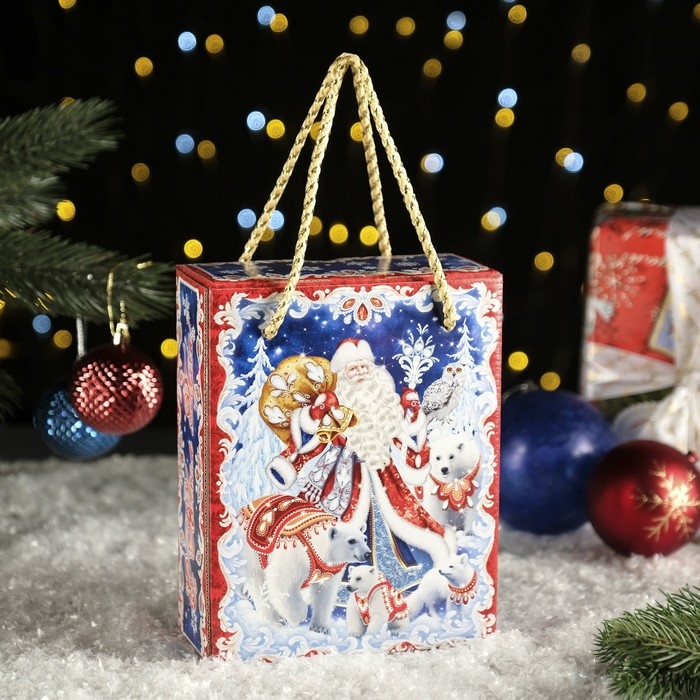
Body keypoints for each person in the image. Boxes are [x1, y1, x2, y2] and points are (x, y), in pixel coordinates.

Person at [295, 338, 450, 568]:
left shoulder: (383, 403)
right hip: (345, 474)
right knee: (339, 519)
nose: (360, 372)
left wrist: (413, 414)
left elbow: (403, 434)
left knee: (398, 514)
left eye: (364, 367)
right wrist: (317, 414)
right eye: (353, 368)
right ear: (343, 374)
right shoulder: (337, 404)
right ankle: (341, 568)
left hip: (382, 468)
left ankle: (394, 565)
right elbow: (317, 437)